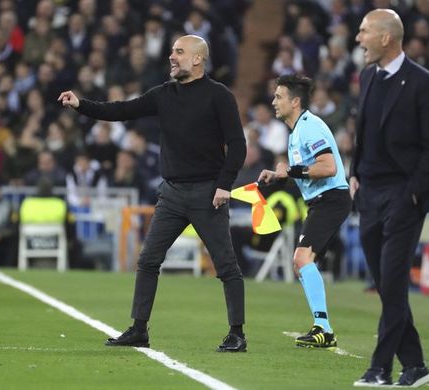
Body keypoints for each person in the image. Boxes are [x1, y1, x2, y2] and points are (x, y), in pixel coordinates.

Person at [58, 34, 248, 352]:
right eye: (172, 51)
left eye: (179, 52)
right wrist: (81, 105)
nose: (172, 57)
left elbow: (238, 144)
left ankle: (237, 334)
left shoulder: (219, 95)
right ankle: (139, 329)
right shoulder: (164, 94)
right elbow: (121, 110)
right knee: (147, 261)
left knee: (226, 264)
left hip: (207, 194)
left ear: (198, 59)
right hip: (172, 193)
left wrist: (224, 185)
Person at [350, 9, 429, 388]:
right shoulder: (367, 77)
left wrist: (412, 194)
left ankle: (379, 369)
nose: (358, 39)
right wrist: (356, 172)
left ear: (386, 38)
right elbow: (365, 132)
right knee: (385, 285)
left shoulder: (424, 84)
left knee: (391, 282)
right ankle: (416, 364)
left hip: (403, 197)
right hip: (369, 193)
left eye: (364, 32)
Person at [258, 75, 351, 349]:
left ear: (295, 101)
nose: (274, 101)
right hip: (320, 201)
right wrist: (279, 175)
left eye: (279, 97)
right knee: (302, 261)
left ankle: (324, 328)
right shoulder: (298, 130)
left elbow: (328, 167)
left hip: (331, 198)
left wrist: (291, 170)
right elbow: (304, 171)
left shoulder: (309, 128)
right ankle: (323, 327)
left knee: (301, 258)